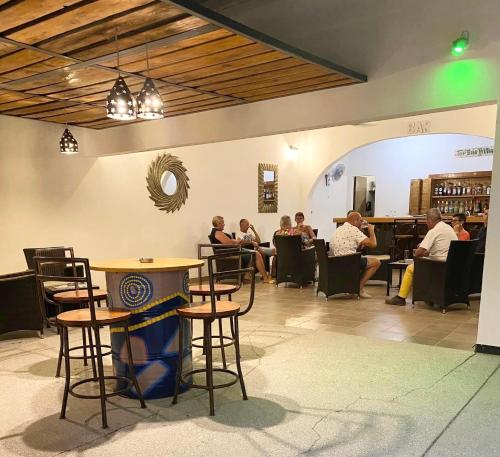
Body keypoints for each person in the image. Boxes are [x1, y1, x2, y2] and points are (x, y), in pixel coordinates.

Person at [386, 208, 457, 306]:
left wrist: (418, 253)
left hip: (439, 266)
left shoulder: (434, 230)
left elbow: (419, 252)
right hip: (451, 265)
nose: (426, 224)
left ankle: (401, 297)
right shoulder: (448, 228)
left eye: (426, 221)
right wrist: (426, 252)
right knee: (422, 265)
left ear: (430, 220)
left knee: (410, 268)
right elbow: (441, 249)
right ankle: (428, 296)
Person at [330, 211, 380, 298]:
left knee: (363, 259)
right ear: (355, 221)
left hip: (335, 261)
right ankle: (359, 288)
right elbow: (373, 244)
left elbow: (351, 244)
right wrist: (371, 231)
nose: (362, 223)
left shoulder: (339, 228)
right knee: (376, 262)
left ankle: (352, 287)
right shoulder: (354, 230)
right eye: (360, 221)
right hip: (348, 262)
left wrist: (360, 242)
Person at [209, 216, 274, 283]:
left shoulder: (218, 232)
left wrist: (237, 241)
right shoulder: (217, 232)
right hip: (230, 253)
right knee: (256, 254)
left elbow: (230, 241)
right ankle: (265, 278)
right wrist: (238, 241)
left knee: (255, 253)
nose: (224, 224)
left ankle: (247, 275)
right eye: (222, 223)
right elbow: (229, 243)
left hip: (233, 251)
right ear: (218, 223)